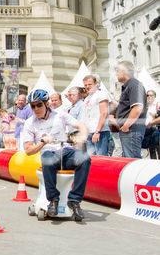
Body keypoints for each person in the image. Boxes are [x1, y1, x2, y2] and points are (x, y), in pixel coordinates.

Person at [21, 89, 90, 221]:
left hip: (65, 151)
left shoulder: (60, 115)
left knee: (84, 158)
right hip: (49, 153)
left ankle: (74, 200)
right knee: (47, 158)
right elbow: (28, 151)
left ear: (46, 104)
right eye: (33, 106)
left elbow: (81, 126)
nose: (36, 108)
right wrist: (42, 142)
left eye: (39, 104)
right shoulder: (29, 123)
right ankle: (53, 200)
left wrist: (82, 137)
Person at [109, 61, 147, 158]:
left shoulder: (134, 84)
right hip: (129, 130)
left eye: (117, 71)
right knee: (129, 160)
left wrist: (126, 125)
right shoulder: (130, 85)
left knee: (132, 162)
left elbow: (138, 107)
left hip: (131, 130)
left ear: (124, 71)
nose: (116, 74)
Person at [81, 75, 111, 156]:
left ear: (96, 84)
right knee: (91, 160)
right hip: (89, 132)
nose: (87, 86)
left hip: (100, 132)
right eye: (85, 85)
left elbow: (104, 113)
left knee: (101, 158)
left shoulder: (101, 94)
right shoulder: (87, 98)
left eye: (89, 84)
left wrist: (97, 131)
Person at [145, 90, 160, 159]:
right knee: (151, 149)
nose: (149, 97)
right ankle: (153, 166)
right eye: (148, 95)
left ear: (155, 96)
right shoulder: (145, 106)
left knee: (158, 148)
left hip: (156, 129)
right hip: (147, 130)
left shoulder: (158, 105)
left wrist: (155, 115)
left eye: (151, 95)